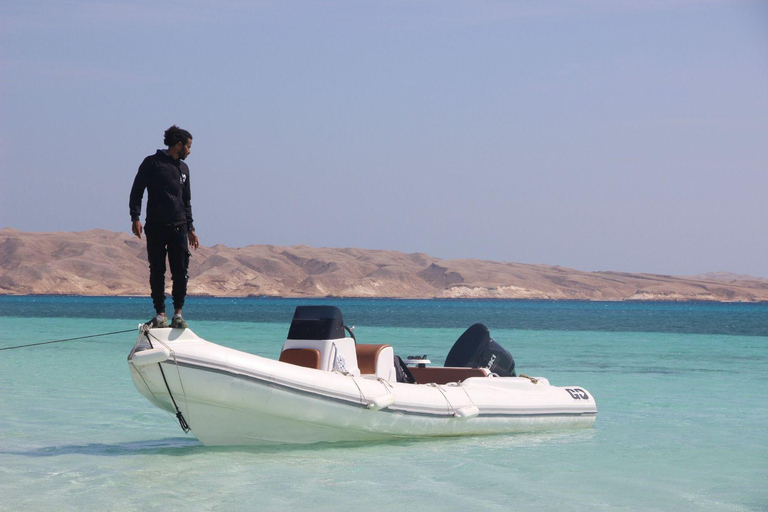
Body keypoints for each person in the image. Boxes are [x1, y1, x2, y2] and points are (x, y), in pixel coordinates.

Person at [129, 125, 200, 328]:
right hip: (156, 227)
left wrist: (191, 228)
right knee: (157, 270)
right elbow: (137, 191)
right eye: (188, 146)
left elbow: (186, 201)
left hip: (179, 228)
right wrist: (135, 217)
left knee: (180, 271)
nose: (189, 151)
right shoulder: (152, 163)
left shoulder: (184, 169)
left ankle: (178, 315)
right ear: (179, 144)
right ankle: (160, 315)